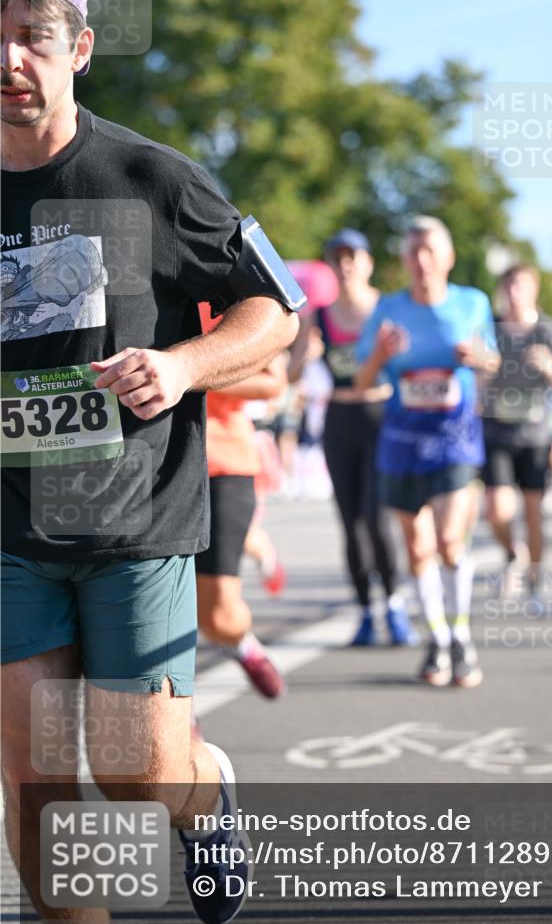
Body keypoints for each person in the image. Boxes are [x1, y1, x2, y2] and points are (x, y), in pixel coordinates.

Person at [0, 0, 299, 924]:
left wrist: (181, 365)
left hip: (136, 520)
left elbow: (278, 311)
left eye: (34, 36)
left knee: (137, 767)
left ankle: (204, 792)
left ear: (78, 49)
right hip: (9, 528)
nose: (11, 58)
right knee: (38, 773)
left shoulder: (151, 177)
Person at [356, 216, 499, 685]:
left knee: (449, 542)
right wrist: (380, 356)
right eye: (413, 251)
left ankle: (462, 639)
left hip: (456, 438)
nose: (421, 260)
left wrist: (478, 359)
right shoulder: (389, 309)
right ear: (403, 259)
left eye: (430, 250)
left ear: (448, 257)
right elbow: (362, 380)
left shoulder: (472, 302)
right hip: (402, 439)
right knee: (417, 548)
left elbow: (492, 361)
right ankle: (437, 641)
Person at [289, 228, 415, 646]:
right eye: (337, 258)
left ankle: (395, 606)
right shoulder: (318, 316)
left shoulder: (388, 309)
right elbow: (290, 375)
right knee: (351, 523)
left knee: (378, 521)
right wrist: (304, 359)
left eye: (352, 257)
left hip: (382, 416)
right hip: (340, 418)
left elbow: (410, 366)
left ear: (368, 263)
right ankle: (365, 611)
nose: (345, 266)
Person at [195, 304, 285, 700]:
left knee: (219, 616)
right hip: (144, 465)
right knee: (152, 611)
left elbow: (272, 382)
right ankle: (178, 716)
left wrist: (187, 370)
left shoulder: (223, 288)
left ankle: (241, 645)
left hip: (221, 463)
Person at [481, 264, 552, 608]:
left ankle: (535, 585)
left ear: (534, 289)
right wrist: (482, 369)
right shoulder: (490, 327)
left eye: (521, 284)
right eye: (508, 284)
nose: (514, 291)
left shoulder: (547, 330)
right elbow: (472, 372)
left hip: (535, 435)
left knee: (533, 512)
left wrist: (549, 365)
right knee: (496, 509)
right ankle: (513, 554)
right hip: (495, 428)